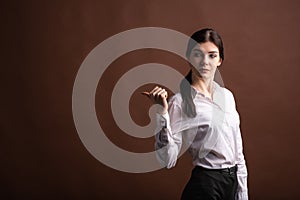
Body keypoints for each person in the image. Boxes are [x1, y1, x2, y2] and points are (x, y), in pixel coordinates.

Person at [142, 28, 248, 200]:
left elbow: (238, 154)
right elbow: (167, 160)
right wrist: (162, 113)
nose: (205, 61)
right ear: (189, 58)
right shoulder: (180, 102)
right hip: (206, 186)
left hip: (232, 181)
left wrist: (242, 194)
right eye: (198, 54)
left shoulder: (227, 96)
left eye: (212, 55)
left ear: (220, 60)